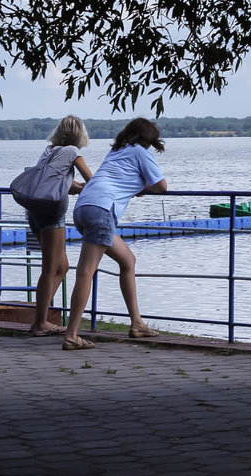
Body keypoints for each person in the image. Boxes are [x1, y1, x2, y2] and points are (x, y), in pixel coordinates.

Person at [62, 118, 167, 350]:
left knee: (127, 260)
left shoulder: (117, 152)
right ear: (148, 139)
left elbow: (118, 179)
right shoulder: (141, 152)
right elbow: (161, 186)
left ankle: (137, 323)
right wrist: (142, 188)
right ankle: (71, 335)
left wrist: (135, 187)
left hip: (83, 207)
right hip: (102, 210)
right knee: (85, 272)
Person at [24, 116, 94, 337]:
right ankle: (39, 323)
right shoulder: (73, 152)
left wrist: (72, 186)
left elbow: (49, 180)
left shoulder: (49, 150)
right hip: (52, 216)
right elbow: (91, 179)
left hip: (34, 211)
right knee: (49, 270)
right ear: (79, 134)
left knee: (62, 267)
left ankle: (41, 316)